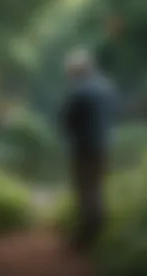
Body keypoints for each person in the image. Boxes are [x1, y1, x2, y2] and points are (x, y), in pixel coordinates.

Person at [59, 48, 118, 252]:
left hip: (83, 147)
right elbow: (115, 113)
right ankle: (100, 232)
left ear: (77, 70)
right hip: (103, 144)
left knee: (85, 190)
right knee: (97, 187)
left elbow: (66, 119)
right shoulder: (106, 87)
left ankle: (87, 235)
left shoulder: (79, 91)